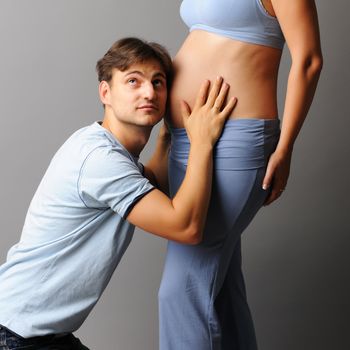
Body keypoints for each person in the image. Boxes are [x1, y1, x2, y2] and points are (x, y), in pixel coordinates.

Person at [0, 37, 237, 350]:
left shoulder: (107, 149)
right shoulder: (100, 159)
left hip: (36, 332)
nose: (149, 92)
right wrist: (202, 142)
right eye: (133, 81)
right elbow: (186, 227)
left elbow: (147, 183)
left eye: (158, 82)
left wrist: (169, 137)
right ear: (105, 92)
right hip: (17, 336)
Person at [158, 1, 323, 349]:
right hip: (188, 137)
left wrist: (285, 147)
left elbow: (308, 60)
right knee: (222, 294)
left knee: (182, 292)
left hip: (234, 139)